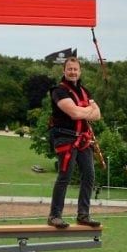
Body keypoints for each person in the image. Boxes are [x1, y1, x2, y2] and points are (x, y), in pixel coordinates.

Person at [47, 57, 101, 229]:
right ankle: (55, 215)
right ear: (64, 71)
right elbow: (75, 114)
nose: (72, 72)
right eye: (69, 69)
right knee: (65, 176)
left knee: (89, 175)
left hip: (83, 139)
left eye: (75, 69)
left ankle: (83, 214)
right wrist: (88, 111)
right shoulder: (58, 91)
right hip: (65, 138)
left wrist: (83, 111)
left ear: (80, 71)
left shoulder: (85, 91)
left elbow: (98, 114)